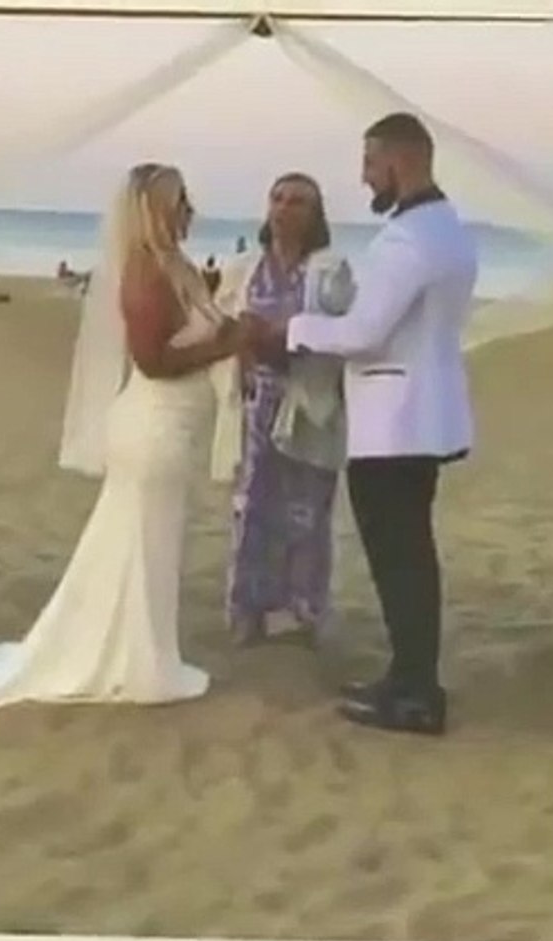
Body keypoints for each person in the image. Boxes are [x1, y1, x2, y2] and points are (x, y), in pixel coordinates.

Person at [0, 163, 243, 709]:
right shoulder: (145, 273)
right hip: (154, 428)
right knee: (143, 544)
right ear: (153, 211)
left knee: (149, 547)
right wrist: (227, 345)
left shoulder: (177, 266)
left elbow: (190, 330)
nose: (188, 209)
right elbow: (153, 361)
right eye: (177, 202)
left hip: (173, 429)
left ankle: (145, 653)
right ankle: (137, 662)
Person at [245, 113, 477, 735]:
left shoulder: (407, 240)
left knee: (399, 558)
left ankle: (415, 693)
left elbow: (363, 333)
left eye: (371, 163)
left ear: (399, 161)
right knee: (410, 554)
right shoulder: (449, 228)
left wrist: (290, 329)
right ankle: (408, 677)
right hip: (424, 414)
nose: (365, 176)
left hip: (395, 422)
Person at [208, 173, 348, 646]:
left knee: (307, 511)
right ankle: (248, 610)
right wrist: (245, 348)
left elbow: (344, 336)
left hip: (308, 402)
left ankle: (302, 611)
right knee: (252, 507)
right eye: (278, 198)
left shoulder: (330, 270)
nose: (285, 208)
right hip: (256, 404)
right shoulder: (244, 269)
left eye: (298, 201)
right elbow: (223, 327)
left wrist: (282, 337)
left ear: (316, 214)